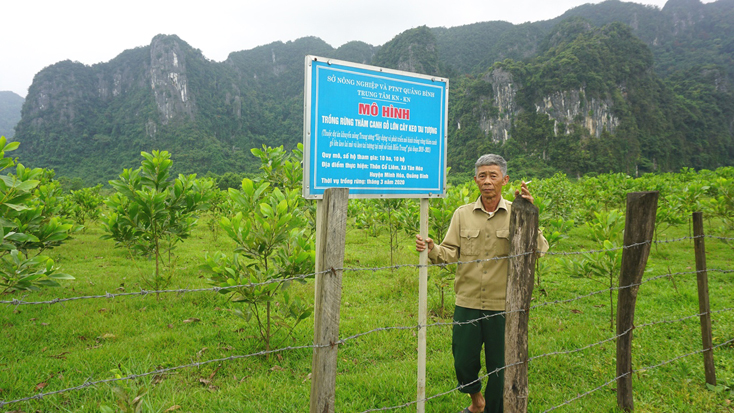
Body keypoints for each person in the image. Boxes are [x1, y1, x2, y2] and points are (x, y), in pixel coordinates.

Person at [415, 154, 548, 413]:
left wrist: (530, 216)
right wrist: (432, 248)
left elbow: (539, 250)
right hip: (468, 301)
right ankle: (477, 401)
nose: (487, 181)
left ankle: (493, 410)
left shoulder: (516, 212)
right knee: (463, 361)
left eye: (493, 176)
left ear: (505, 180)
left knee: (501, 368)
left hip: (502, 305)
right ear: (475, 180)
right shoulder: (462, 215)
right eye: (482, 176)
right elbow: (450, 252)